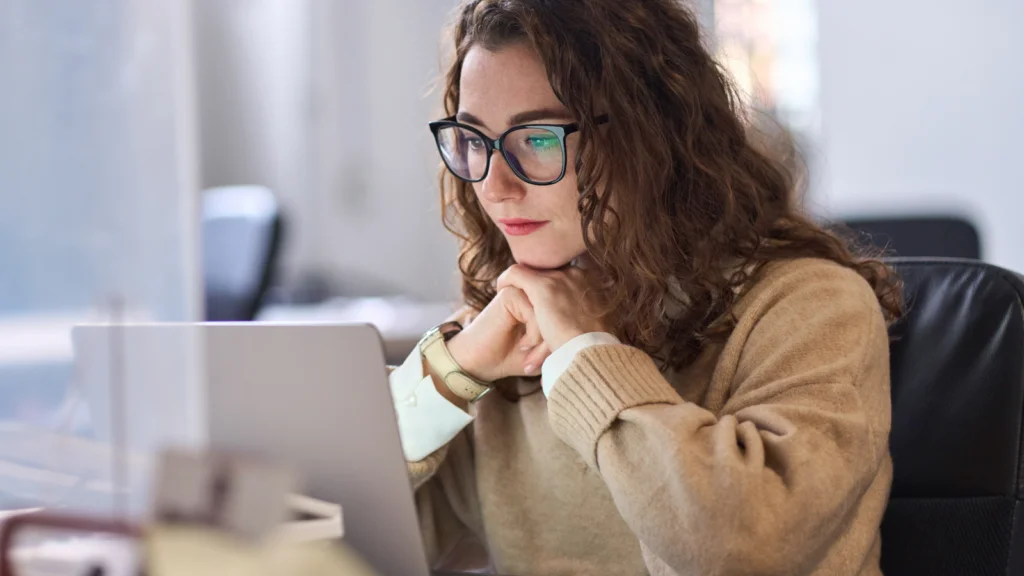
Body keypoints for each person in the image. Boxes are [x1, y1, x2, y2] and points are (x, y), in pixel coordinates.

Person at [386, 0, 903, 574]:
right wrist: (450, 375)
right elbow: (326, 537)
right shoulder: (508, 333)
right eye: (475, 140)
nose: (496, 185)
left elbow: (736, 547)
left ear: (651, 136)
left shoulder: (813, 308)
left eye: (538, 138)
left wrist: (585, 356)